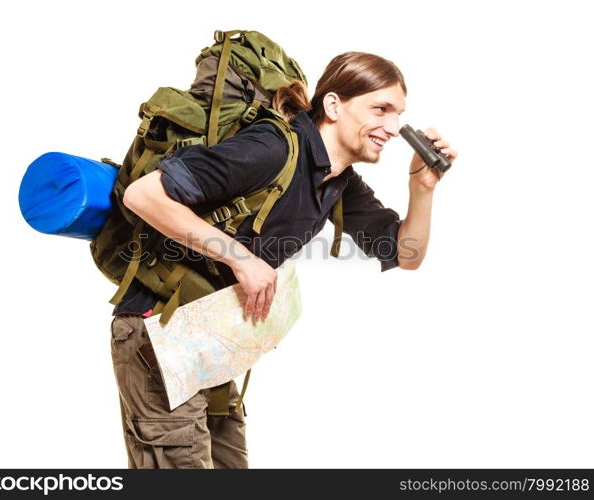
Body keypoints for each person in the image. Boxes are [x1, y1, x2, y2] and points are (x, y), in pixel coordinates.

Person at [110, 51, 458, 469]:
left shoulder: (339, 182)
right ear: (333, 105)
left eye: (398, 113)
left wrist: (423, 187)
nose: (393, 127)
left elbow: (405, 253)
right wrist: (241, 259)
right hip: (159, 331)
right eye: (380, 109)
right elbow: (144, 195)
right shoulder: (271, 147)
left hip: (210, 338)